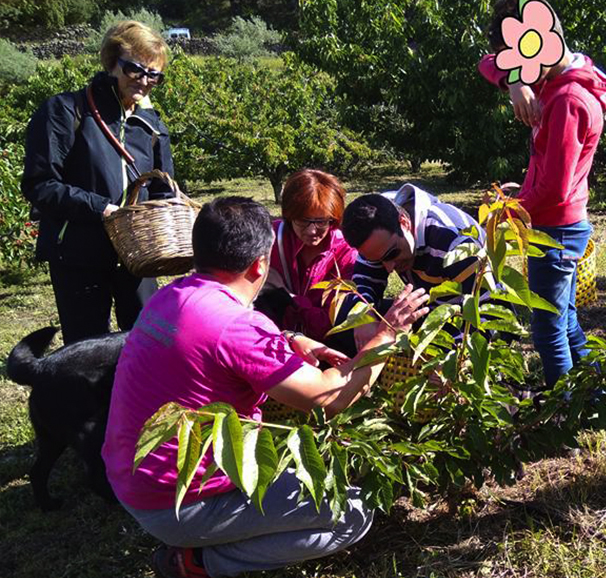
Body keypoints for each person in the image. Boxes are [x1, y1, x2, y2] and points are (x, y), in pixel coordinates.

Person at [101, 197, 429, 577]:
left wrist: (290, 338)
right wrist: (387, 334)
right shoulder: (233, 326)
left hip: (133, 482)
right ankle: (198, 562)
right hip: (178, 503)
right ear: (261, 263)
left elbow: (223, 339)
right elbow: (329, 397)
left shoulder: (171, 296)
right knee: (353, 511)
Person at [479, 0, 606, 387]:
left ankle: (565, 410)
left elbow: (554, 190)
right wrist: (515, 81)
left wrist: (508, 208)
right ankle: (595, 392)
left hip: (555, 229)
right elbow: (487, 63)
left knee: (547, 329)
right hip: (564, 224)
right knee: (565, 319)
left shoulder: (567, 100)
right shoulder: (555, 79)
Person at [21, 20, 175, 344]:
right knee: (87, 347)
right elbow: (40, 184)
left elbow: (164, 186)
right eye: (136, 69)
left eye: (154, 75)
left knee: (147, 343)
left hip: (136, 255)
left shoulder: (150, 123)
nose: (145, 81)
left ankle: (136, 396)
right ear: (112, 61)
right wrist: (102, 209)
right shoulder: (65, 110)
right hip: (78, 252)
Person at [340, 184, 485, 352]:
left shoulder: (452, 242)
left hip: (461, 315)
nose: (388, 268)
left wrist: (457, 355)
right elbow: (365, 279)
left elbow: (492, 307)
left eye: (391, 254)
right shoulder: (376, 223)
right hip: (427, 309)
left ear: (404, 222)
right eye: (378, 260)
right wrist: (364, 316)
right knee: (348, 320)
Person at [263, 169, 358, 344]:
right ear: (289, 216)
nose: (312, 231)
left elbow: (327, 325)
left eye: (322, 222)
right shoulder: (272, 238)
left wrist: (284, 294)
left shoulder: (345, 253)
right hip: (271, 340)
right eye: (302, 220)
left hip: (323, 350)